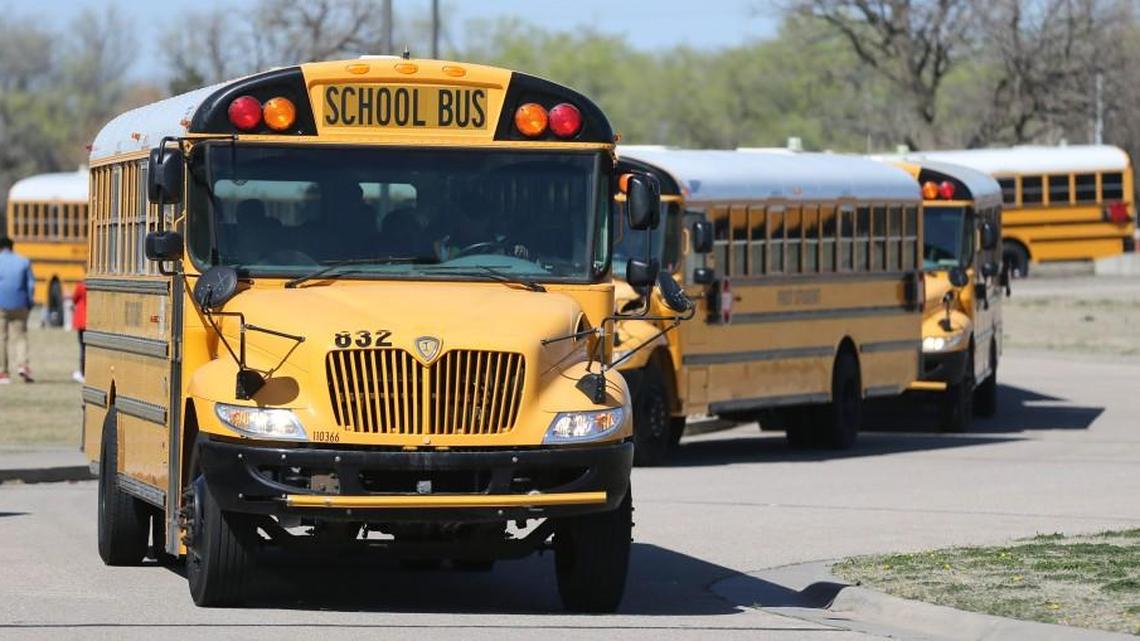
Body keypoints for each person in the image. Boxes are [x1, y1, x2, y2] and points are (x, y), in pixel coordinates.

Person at [0, 237, 35, 384]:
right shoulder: (24, 261)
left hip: (1, 304)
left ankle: (3, 372)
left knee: (2, 338)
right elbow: (31, 285)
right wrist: (29, 302)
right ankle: (22, 364)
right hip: (20, 303)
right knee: (21, 336)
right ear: (12, 247)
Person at [72, 280, 87, 383]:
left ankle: (83, 372)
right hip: (92, 320)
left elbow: (74, 299)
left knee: (82, 348)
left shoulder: (81, 285)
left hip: (82, 320)